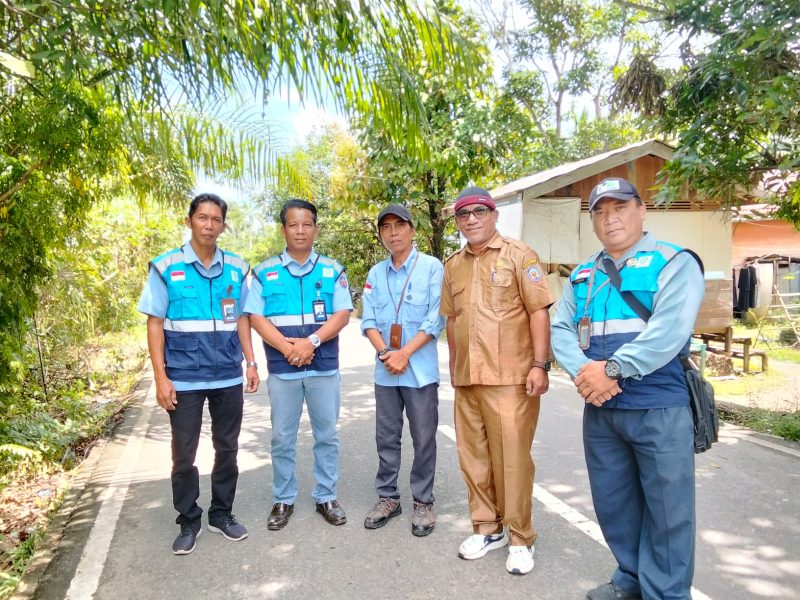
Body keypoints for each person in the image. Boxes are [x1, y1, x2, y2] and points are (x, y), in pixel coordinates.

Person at [550, 177, 705, 600]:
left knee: (668, 510)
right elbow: (561, 328)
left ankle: (666, 593)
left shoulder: (673, 262)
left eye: (619, 208)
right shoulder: (583, 274)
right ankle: (631, 578)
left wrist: (613, 371)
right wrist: (586, 374)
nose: (610, 219)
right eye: (600, 212)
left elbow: (669, 330)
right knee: (614, 501)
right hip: (601, 407)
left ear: (641, 210)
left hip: (658, 407)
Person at [138, 193, 260, 555]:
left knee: (227, 448)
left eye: (216, 219)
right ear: (189, 221)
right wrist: (161, 378)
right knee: (183, 453)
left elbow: (243, 319)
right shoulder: (166, 267)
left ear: (223, 225)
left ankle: (221, 513)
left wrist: (251, 363)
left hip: (227, 376)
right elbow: (155, 323)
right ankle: (189, 519)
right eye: (202, 217)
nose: (209, 225)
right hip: (184, 377)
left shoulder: (236, 268)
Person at [441, 186, 553, 575]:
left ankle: (520, 537)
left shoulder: (520, 256)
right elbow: (452, 320)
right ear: (458, 222)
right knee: (473, 459)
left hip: (510, 378)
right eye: (463, 214)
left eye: (479, 211)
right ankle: (488, 528)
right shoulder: (453, 265)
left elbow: (538, 311)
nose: (471, 219)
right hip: (467, 379)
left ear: (494, 215)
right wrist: (454, 369)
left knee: (512, 461)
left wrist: (540, 365)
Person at [244, 199, 352, 530]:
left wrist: (311, 342)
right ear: (284, 230)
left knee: (327, 435)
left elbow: (342, 314)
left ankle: (326, 495)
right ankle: (283, 498)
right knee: (282, 437)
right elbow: (255, 316)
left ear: (315, 229)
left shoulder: (332, 270)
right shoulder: (264, 273)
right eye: (293, 225)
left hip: (323, 368)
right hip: (283, 370)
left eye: (307, 224)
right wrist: (286, 347)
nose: (300, 231)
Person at [360, 204, 445, 537]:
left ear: (412, 229)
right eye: (386, 227)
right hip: (386, 371)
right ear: (381, 234)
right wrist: (386, 353)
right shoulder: (375, 274)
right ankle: (388, 498)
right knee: (386, 437)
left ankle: (423, 501)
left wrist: (405, 353)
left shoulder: (431, 267)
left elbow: (436, 317)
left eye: (399, 225)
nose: (393, 232)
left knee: (423, 437)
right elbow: (368, 320)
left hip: (419, 371)